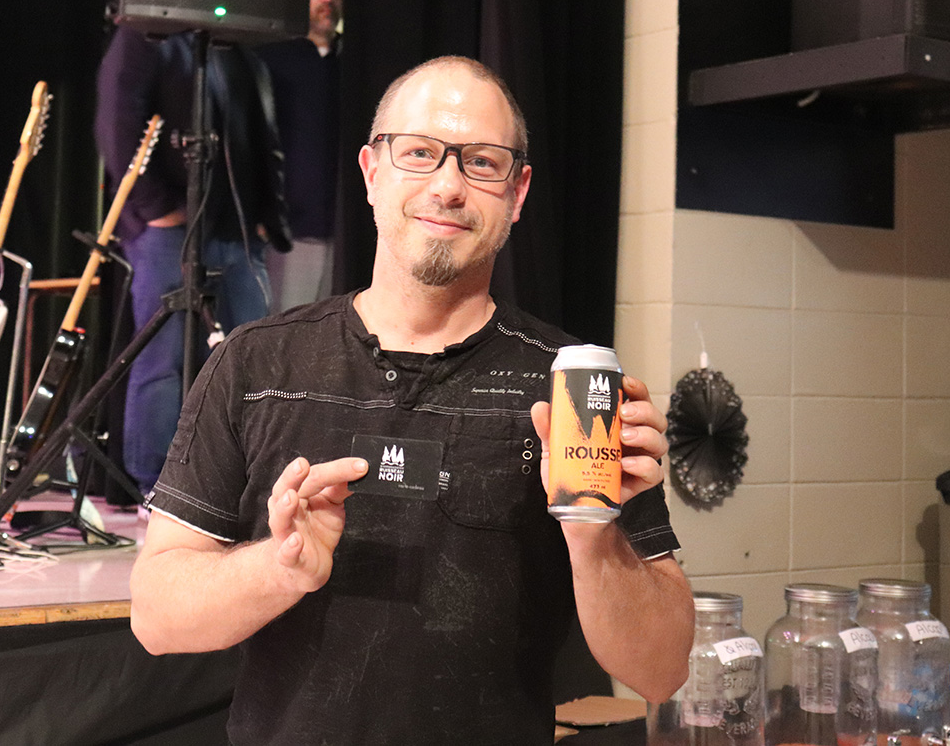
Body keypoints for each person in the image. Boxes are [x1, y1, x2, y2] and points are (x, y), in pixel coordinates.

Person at [130, 56, 694, 744]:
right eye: (420, 153)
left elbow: (661, 670)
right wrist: (277, 567)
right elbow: (156, 618)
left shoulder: (573, 390)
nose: (448, 186)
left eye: (481, 162)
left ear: (517, 192)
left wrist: (593, 536)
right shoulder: (254, 362)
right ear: (372, 173)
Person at [94, 26, 290, 497]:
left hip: (237, 230)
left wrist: (269, 218)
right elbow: (118, 122)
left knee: (250, 359)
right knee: (163, 360)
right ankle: (155, 485)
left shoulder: (240, 47)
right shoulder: (145, 36)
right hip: (169, 232)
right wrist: (154, 208)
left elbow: (264, 137)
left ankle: (240, 484)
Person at [256, 0, 343, 311]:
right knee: (287, 331)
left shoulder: (353, 65)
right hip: (286, 234)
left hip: (342, 233)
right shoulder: (269, 59)